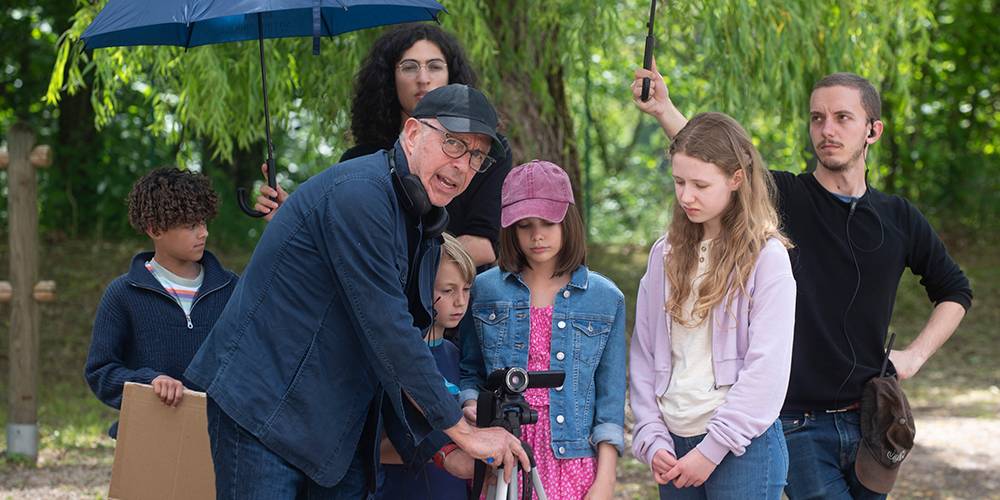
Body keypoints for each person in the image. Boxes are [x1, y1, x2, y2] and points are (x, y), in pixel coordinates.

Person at [632, 66, 973, 499]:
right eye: (817, 118)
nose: (827, 129)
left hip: (873, 420)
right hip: (796, 423)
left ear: (873, 130)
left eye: (842, 118)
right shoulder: (785, 197)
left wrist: (914, 357)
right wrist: (664, 109)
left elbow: (955, 290)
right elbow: (716, 160)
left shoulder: (899, 217)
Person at [185, 84, 530, 499]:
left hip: (332, 426)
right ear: (413, 133)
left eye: (476, 156)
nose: (463, 166)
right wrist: (463, 432)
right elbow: (388, 332)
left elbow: (391, 352)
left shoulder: (422, 221)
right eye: (453, 143)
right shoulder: (360, 193)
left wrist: (441, 449)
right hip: (264, 409)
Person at [628, 112, 796, 499]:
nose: (686, 196)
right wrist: (652, 435)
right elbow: (644, 352)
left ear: (736, 179)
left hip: (742, 448)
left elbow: (767, 369)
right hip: (672, 444)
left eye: (700, 185)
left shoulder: (766, 258)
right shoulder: (664, 254)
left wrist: (712, 449)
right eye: (679, 182)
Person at [255, 23, 513, 267]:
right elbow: (343, 241)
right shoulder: (359, 160)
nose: (423, 78)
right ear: (390, 78)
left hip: (456, 291)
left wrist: (417, 268)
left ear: (452, 75)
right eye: (409, 67)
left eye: (435, 66)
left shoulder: (486, 150)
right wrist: (296, 220)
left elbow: (484, 244)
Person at [459, 160, 626, 500]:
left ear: (568, 220)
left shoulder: (605, 298)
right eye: (525, 226)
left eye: (548, 223)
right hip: (500, 454)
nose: (537, 235)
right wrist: (471, 404)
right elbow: (470, 371)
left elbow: (610, 399)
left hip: (572, 460)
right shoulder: (484, 290)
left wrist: (606, 479)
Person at [85, 167, 238, 437]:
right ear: (155, 229)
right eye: (191, 225)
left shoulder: (232, 289)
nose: (203, 233)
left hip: (221, 441)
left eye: (204, 222)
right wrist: (150, 381)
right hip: (150, 439)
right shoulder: (123, 294)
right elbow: (101, 372)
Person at [377, 233, 475, 500]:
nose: (460, 301)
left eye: (466, 289)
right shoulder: (395, 359)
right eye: (448, 290)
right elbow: (375, 446)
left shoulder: (458, 355)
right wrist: (450, 448)